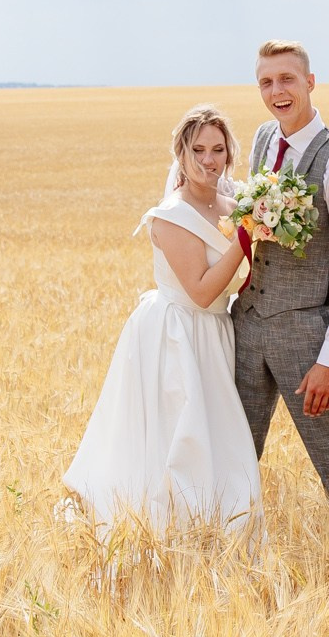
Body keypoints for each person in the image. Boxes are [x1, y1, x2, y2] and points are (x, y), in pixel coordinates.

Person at [62, 104, 262, 534]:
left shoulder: (236, 204)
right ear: (181, 155)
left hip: (215, 334)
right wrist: (246, 236)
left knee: (216, 439)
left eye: (218, 150)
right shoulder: (171, 215)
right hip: (177, 333)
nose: (209, 160)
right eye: (198, 150)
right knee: (178, 437)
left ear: (230, 154)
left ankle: (219, 527)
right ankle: (168, 532)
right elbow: (203, 289)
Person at [232, 40, 329, 504]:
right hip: (246, 323)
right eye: (266, 82)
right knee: (231, 456)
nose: (277, 91)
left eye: (287, 79)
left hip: (305, 336)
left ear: (310, 83)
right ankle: (224, 548)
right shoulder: (262, 139)